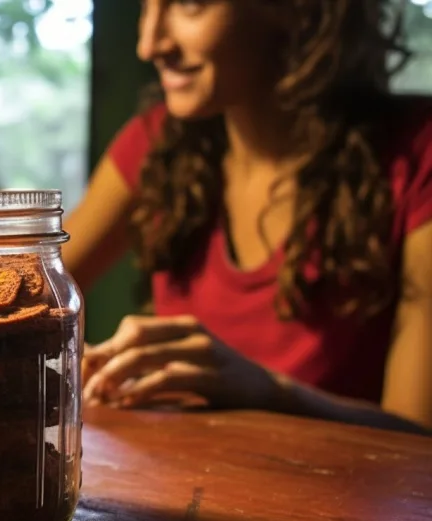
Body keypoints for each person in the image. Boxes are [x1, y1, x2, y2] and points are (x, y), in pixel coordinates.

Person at [64, 0, 432, 434]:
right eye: (146, 6)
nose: (149, 45)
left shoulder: (417, 156)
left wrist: (270, 392)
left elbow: (420, 443)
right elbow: (34, 288)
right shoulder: (157, 144)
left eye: (189, 4)